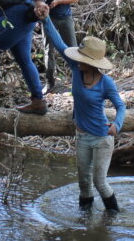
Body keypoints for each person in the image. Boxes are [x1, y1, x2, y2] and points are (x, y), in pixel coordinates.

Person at [40, 14, 126, 211]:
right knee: (84, 183)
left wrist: (117, 125)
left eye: (83, 58)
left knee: (99, 182)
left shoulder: (106, 82)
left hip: (102, 138)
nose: (77, 60)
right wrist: (45, 19)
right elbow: (59, 42)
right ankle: (85, 224)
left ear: (93, 63)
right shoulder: (76, 69)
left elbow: (121, 106)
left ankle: (113, 218)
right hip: (82, 137)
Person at [39, 0, 80, 94]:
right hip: (48, 19)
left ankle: (78, 80)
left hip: (65, 17)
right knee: (48, 50)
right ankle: (50, 83)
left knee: (72, 49)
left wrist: (59, 1)